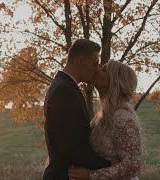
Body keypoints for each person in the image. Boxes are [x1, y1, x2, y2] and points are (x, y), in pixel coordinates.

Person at [43, 39, 111, 180]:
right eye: (94, 63)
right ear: (80, 61)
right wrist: (110, 164)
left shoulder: (65, 86)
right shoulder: (64, 90)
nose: (97, 69)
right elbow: (73, 147)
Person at [68, 60, 142, 180]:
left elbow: (133, 166)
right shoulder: (102, 116)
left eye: (103, 70)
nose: (97, 70)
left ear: (115, 81)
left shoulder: (122, 118)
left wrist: (91, 175)